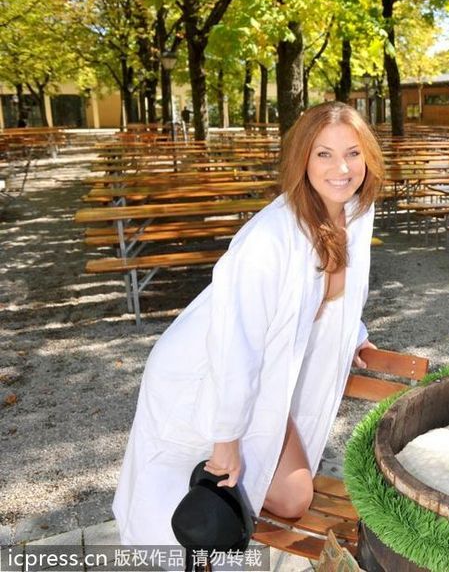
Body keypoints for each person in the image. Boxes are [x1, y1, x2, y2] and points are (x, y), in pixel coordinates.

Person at [113, 101, 386, 545]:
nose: (342, 167)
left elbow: (332, 298)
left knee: (293, 497)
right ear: (302, 158)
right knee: (180, 507)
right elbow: (235, 343)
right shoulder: (270, 237)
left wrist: (354, 336)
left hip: (263, 371)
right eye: (324, 154)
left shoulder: (353, 213)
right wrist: (226, 443)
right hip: (207, 368)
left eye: (353, 153)